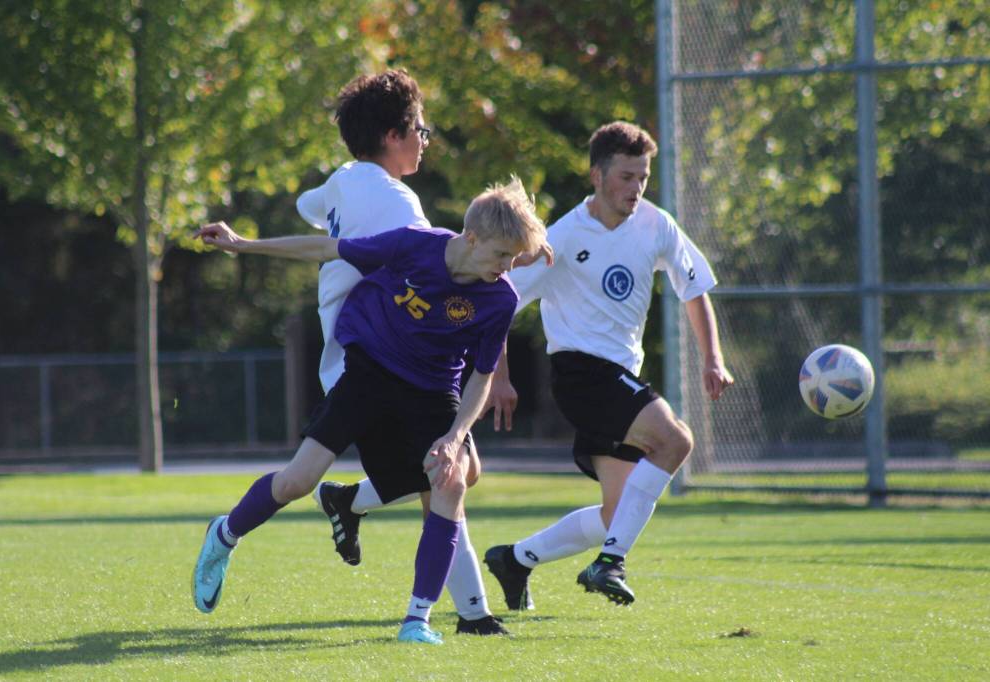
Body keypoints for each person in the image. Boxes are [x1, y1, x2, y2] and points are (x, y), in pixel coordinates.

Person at [190, 177, 548, 645]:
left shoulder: (500, 297)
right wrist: (242, 244)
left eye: (514, 259)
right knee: (298, 481)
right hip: (369, 374)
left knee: (452, 479)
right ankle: (224, 534)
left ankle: (416, 622)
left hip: (433, 391)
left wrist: (456, 435)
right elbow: (325, 248)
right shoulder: (414, 246)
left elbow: (480, 377)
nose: (507, 268)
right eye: (502, 255)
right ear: (472, 238)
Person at [481, 121, 734, 609]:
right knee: (676, 439)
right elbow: (500, 304)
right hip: (581, 374)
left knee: (616, 514)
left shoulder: (656, 225)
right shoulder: (561, 237)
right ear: (597, 176)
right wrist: (502, 378)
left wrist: (713, 359)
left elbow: (695, 287)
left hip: (621, 376)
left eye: (642, 177)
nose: (635, 188)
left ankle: (515, 559)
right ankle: (609, 564)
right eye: (625, 177)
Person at [294, 69, 504, 635]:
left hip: (358, 351)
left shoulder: (343, 178)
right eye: (420, 128)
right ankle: (472, 615)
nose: (425, 139)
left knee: (458, 469)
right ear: (392, 135)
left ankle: (349, 503)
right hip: (380, 356)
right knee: (446, 473)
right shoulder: (401, 206)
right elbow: (443, 281)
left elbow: (306, 205)